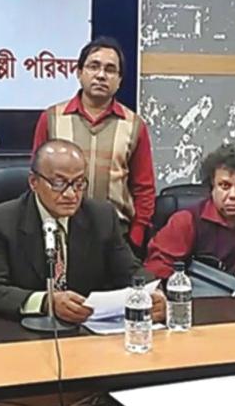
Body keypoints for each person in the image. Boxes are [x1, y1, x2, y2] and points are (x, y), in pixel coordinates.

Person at [0, 139, 165, 323]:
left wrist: (153, 293)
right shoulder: (2, 220)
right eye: (59, 183)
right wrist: (46, 302)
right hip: (24, 329)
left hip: (87, 328)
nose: (71, 194)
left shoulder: (101, 217)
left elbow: (131, 271)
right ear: (34, 182)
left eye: (78, 183)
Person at [31, 36, 156, 252]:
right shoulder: (52, 118)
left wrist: (136, 236)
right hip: (59, 231)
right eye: (93, 66)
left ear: (119, 80)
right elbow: (37, 178)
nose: (101, 75)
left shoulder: (134, 125)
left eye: (110, 70)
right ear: (79, 73)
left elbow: (144, 188)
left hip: (116, 235)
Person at [145, 144, 235, 297]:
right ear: (212, 187)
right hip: (193, 305)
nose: (233, 195)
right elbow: (156, 270)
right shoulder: (186, 221)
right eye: (224, 186)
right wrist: (160, 294)